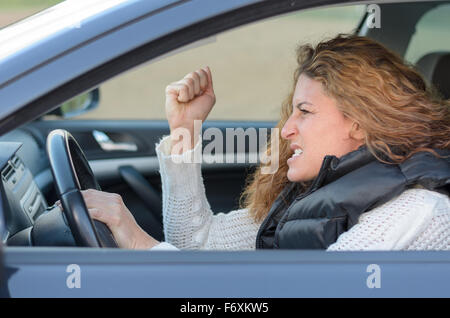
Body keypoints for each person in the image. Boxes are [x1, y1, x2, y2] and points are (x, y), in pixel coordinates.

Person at [58, 34, 450, 251]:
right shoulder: (314, 193)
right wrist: (185, 129)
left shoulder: (419, 212)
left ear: (361, 123)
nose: (286, 129)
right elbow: (197, 244)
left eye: (306, 112)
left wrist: (141, 245)